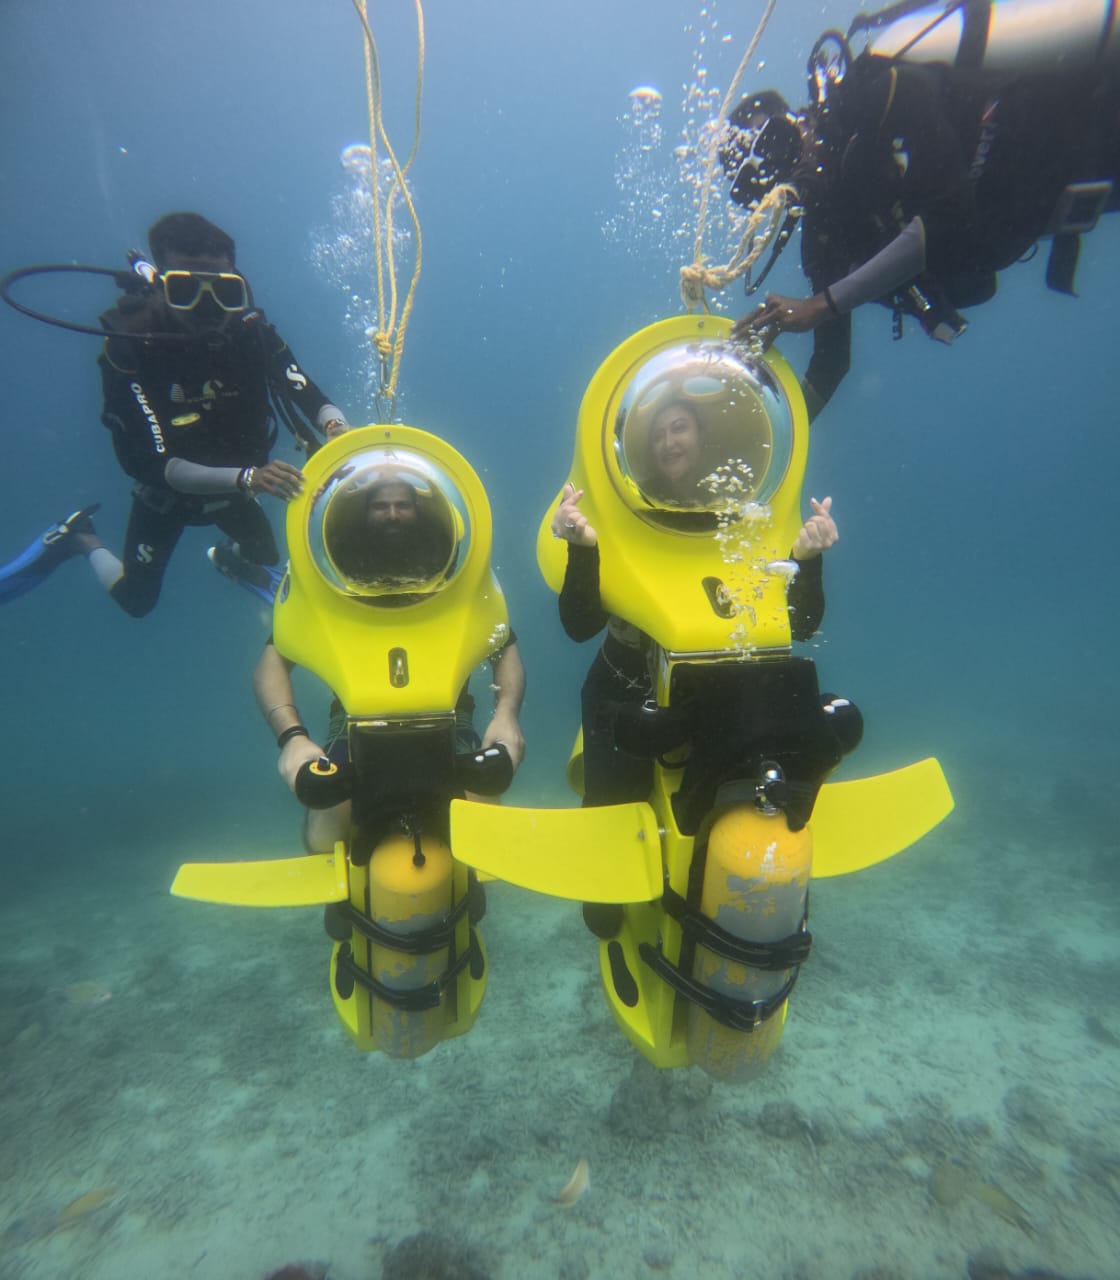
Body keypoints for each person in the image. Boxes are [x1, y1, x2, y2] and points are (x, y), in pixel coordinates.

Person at [721, 43, 1120, 418]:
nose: (790, 172)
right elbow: (830, 365)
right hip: (1079, 189)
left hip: (1091, 108)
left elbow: (948, 210)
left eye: (783, 144)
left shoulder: (872, 98)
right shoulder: (825, 235)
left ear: (800, 119)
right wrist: (762, 435)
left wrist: (821, 304)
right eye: (765, 184)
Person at [0, 212, 348, 615]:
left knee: (265, 555)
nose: (208, 306)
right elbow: (155, 462)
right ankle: (81, 539)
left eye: (224, 291)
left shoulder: (251, 333)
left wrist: (336, 426)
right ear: (162, 285)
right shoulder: (130, 346)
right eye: (186, 288)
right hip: (168, 499)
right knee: (137, 600)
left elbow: (301, 387)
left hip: (237, 488)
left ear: (238, 283)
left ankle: (228, 559)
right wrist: (249, 477)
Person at [253, 469, 527, 859]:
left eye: (403, 505)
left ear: (422, 510)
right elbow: (274, 660)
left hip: (451, 721)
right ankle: (345, 899)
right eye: (380, 506)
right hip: (353, 725)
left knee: (482, 825)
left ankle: (466, 899)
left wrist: (507, 716)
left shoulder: (458, 576)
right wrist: (292, 739)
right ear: (362, 513)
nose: (393, 515)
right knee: (325, 831)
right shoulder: (331, 583)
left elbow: (504, 644)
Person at [550, 478, 837, 808]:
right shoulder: (619, 502)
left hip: (722, 695)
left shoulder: (745, 507)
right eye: (657, 431)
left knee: (728, 808)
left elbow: (800, 626)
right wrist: (581, 549)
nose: (669, 441)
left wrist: (807, 559)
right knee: (615, 816)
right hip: (624, 691)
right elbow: (580, 627)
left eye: (679, 426)